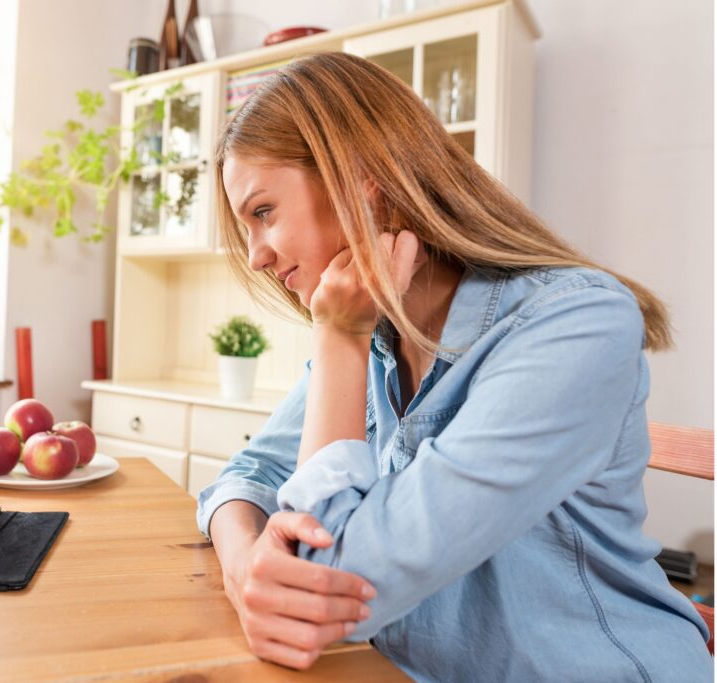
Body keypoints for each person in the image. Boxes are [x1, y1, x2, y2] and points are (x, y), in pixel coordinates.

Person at [196, 52, 712, 680]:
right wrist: (246, 562)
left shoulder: (577, 323)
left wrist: (337, 337)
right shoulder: (380, 332)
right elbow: (248, 472)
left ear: (361, 180)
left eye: (262, 212)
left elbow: (330, 580)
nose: (255, 258)